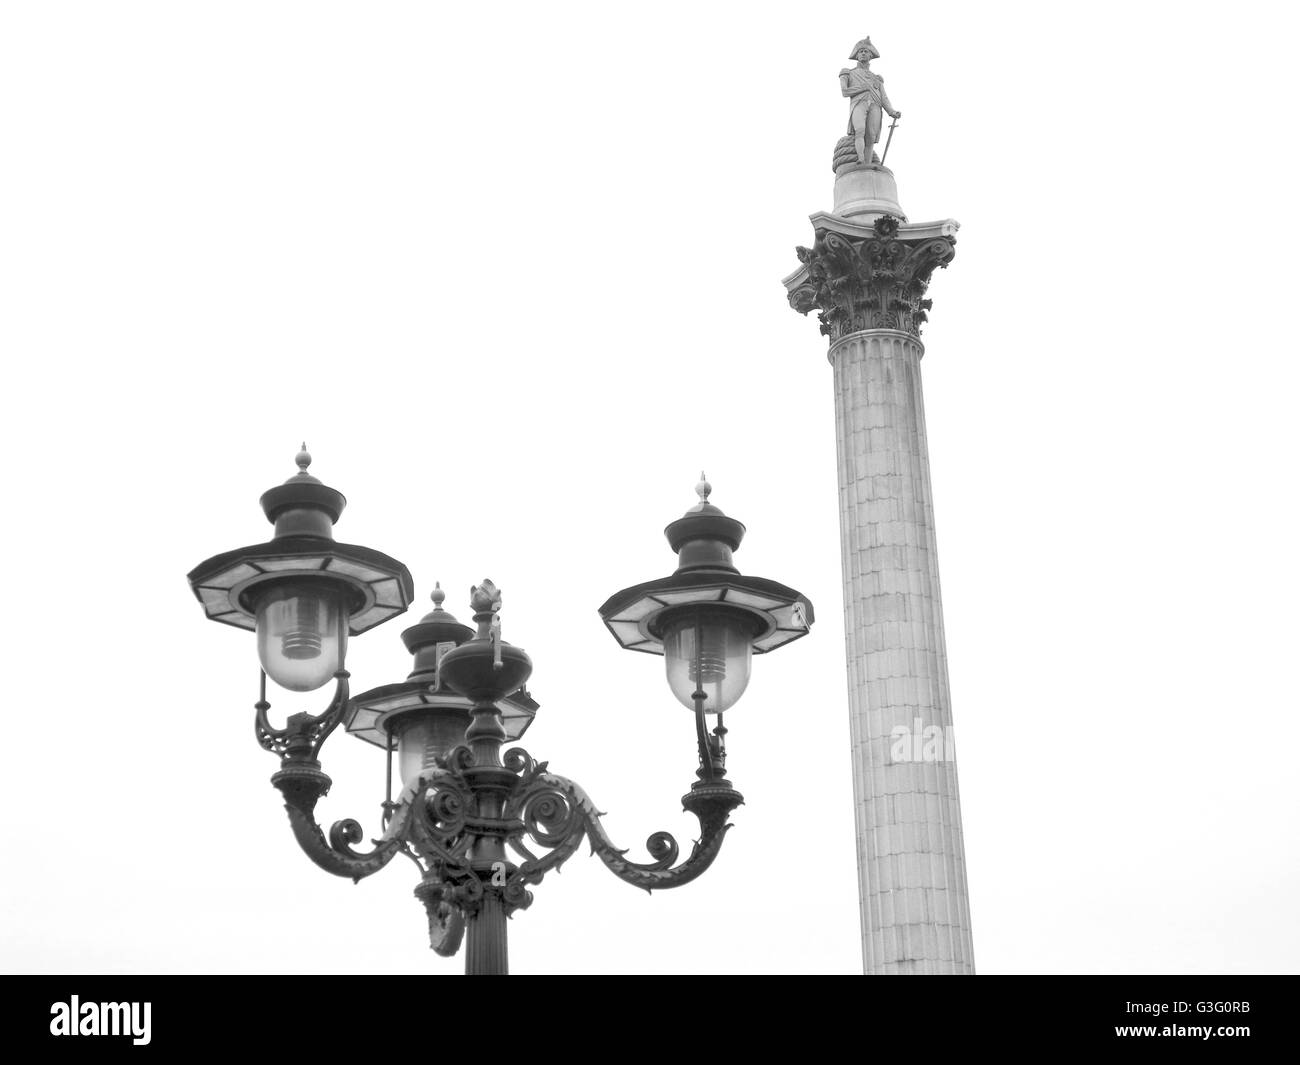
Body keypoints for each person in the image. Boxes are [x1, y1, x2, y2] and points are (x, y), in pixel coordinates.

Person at [840, 37, 901, 166]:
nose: (863, 53)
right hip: (859, 103)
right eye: (861, 51)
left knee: (871, 136)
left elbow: (884, 97)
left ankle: (867, 164)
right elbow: (845, 92)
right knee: (860, 130)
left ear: (870, 55)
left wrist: (891, 111)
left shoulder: (877, 78)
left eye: (866, 51)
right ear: (856, 55)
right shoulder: (848, 73)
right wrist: (863, 88)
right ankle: (860, 158)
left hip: (875, 105)